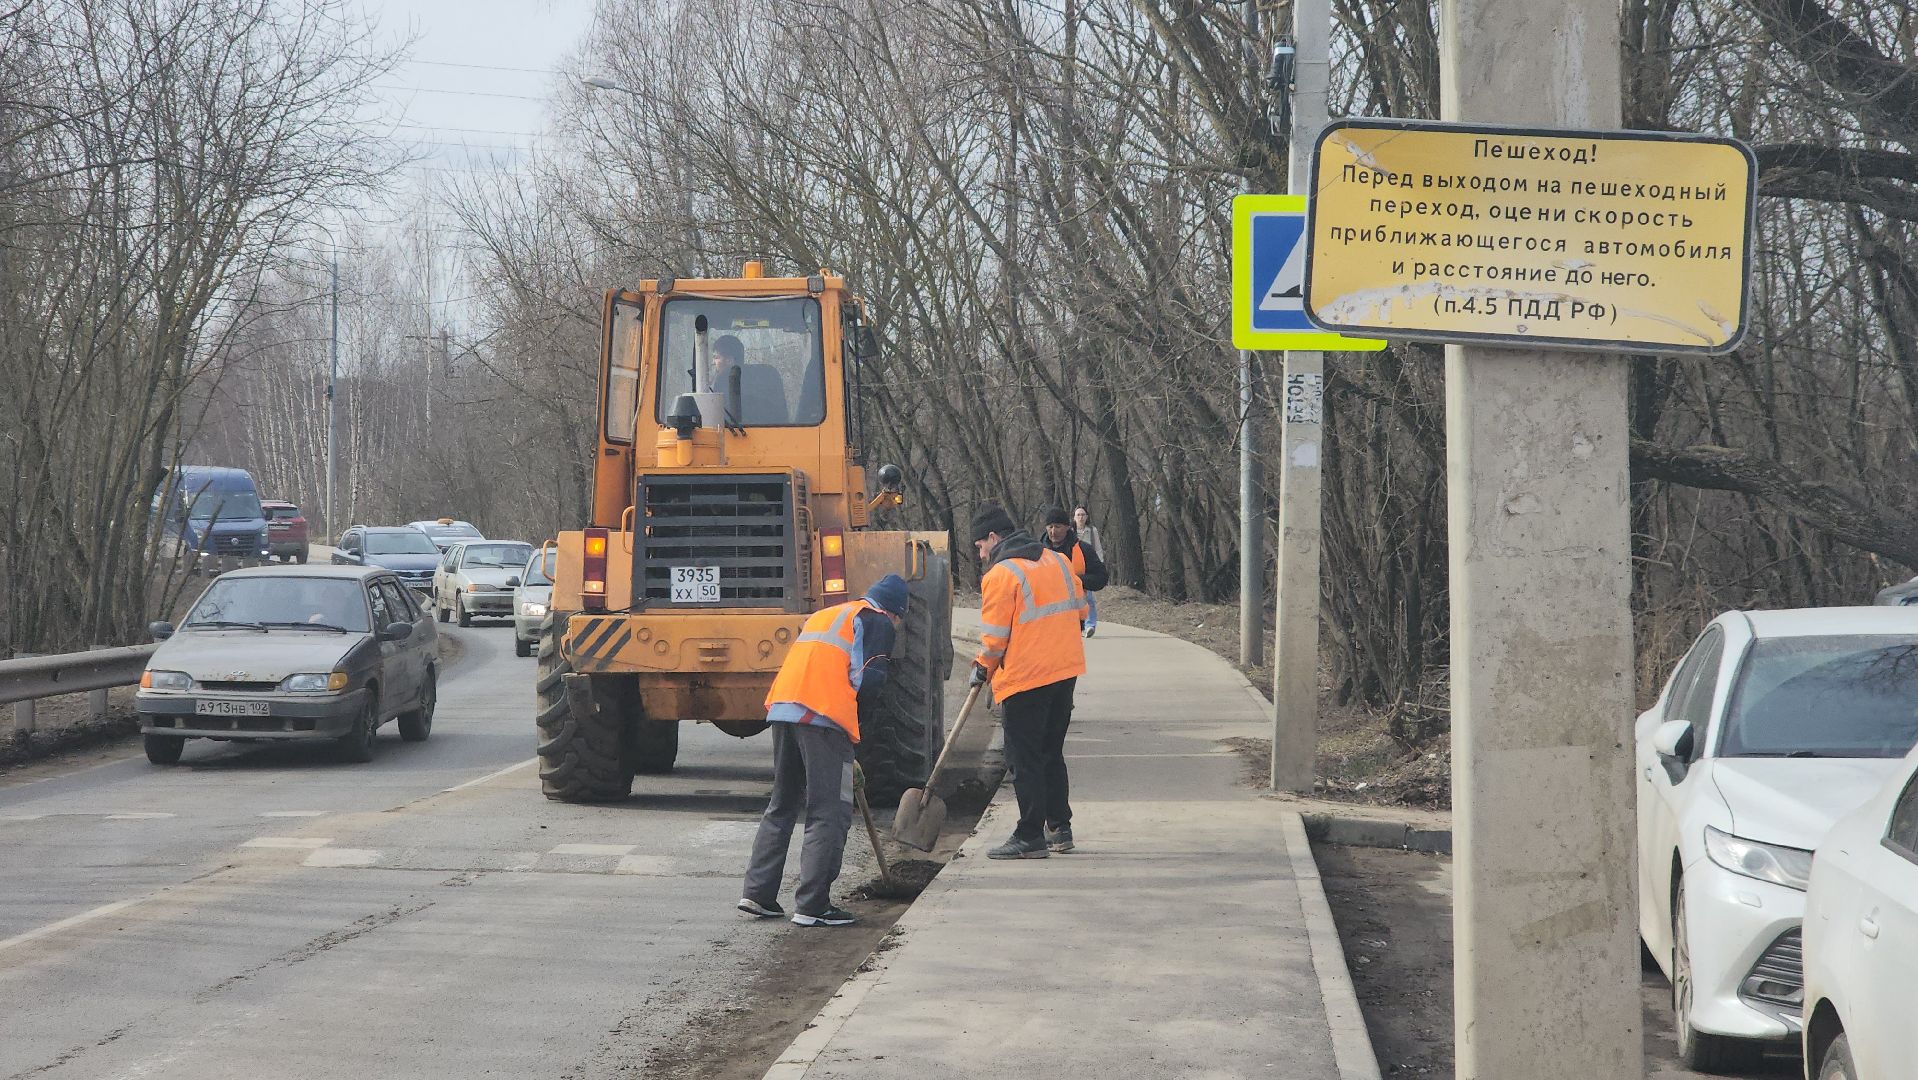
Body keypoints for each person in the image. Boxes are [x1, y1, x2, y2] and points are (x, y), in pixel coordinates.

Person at [740, 574, 909, 926]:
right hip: (823, 716)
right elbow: (870, 679)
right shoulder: (877, 621)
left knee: (782, 804)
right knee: (828, 809)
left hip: (785, 708)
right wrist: (854, 734)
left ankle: (758, 895)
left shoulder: (829, 614)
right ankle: (813, 905)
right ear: (896, 613)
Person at [971, 504, 1088, 859]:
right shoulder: (1058, 561)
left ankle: (1029, 835)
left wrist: (983, 667)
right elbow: (1081, 610)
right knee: (1051, 752)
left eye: (980, 546)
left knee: (1024, 758)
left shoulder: (1000, 575)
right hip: (1065, 672)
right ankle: (1060, 827)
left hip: (1026, 678)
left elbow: (994, 639)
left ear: (994, 538)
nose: (980, 554)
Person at [1041, 506, 1107, 637]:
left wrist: (1076, 580)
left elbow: (1101, 578)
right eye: (1050, 527)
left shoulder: (1083, 550)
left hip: (1073, 622)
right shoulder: (1036, 552)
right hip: (1042, 622)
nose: (1053, 531)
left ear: (1067, 527)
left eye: (1058, 526)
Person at [1072, 507, 1105, 637]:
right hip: (1075, 567)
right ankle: (1077, 625)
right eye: (1078, 515)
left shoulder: (1092, 531)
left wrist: (1100, 566)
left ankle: (1090, 625)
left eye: (1083, 515)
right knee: (1074, 598)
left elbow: (1098, 548)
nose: (1080, 517)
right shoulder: (1070, 531)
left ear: (1086, 517)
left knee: (1089, 598)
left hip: (1089, 568)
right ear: (1074, 517)